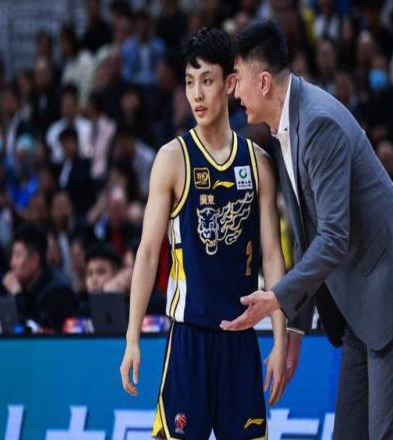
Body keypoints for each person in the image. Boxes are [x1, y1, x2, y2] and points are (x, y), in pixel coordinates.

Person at [222, 20, 393, 439]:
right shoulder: (284, 126)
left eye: (238, 79)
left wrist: (276, 298)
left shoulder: (319, 123)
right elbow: (306, 237)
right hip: (360, 302)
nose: (234, 92)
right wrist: (296, 328)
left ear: (263, 82)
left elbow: (333, 237)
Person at [119, 28, 287, 439]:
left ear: (230, 84)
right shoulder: (172, 159)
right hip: (188, 338)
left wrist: (281, 340)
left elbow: (272, 255)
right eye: (190, 82)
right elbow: (147, 253)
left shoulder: (258, 163)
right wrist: (132, 337)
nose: (196, 94)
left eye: (207, 81)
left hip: (241, 340)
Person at [1, 223, 76, 332]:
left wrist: (17, 294)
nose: (12, 263)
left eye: (17, 255)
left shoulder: (57, 292)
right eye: (12, 256)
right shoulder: (24, 287)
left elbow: (33, 333)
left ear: (34, 261)